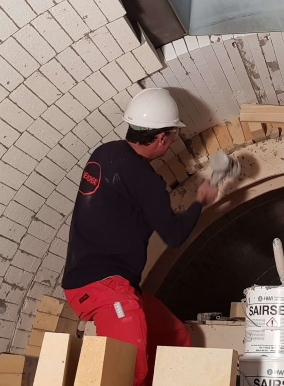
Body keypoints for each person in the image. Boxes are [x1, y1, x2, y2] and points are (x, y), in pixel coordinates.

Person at [62, 87, 218, 386]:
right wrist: (201, 202)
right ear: (161, 138)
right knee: (128, 371)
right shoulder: (146, 181)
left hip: (105, 282)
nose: (170, 143)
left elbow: (123, 209)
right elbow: (173, 235)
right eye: (172, 137)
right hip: (103, 287)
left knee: (174, 337)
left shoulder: (104, 153)